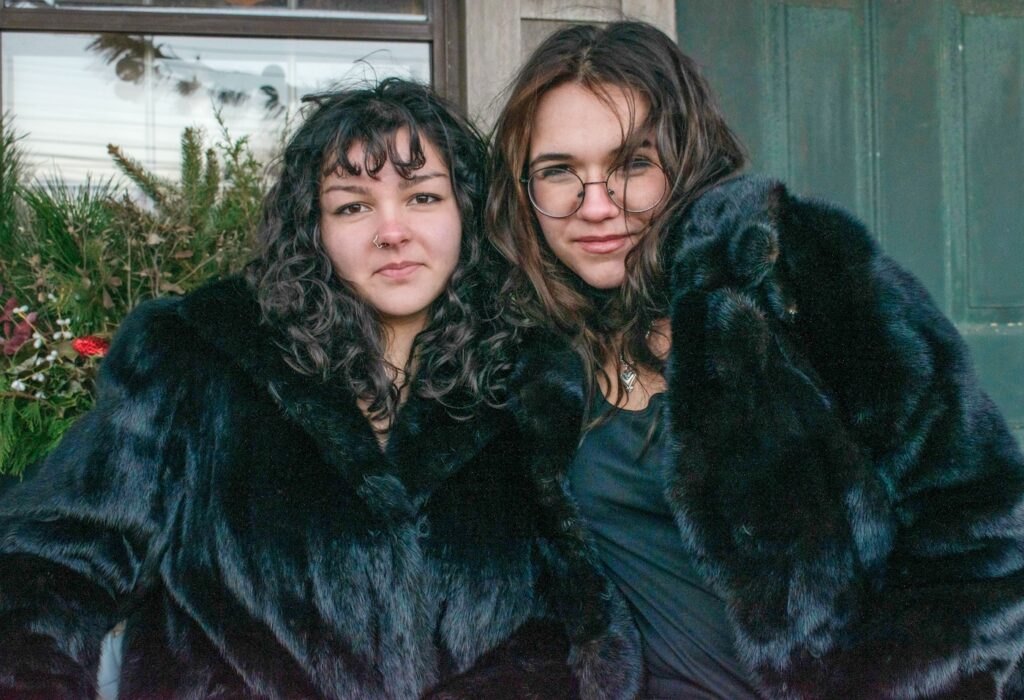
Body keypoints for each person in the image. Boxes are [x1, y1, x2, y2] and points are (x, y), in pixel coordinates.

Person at [0, 78, 641, 699]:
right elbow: (49, 564)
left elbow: (572, 624)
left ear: (468, 213)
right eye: (353, 205)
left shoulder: (529, 377)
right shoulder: (198, 355)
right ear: (314, 227)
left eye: (422, 197)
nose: (392, 230)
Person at [488, 20, 1024, 699]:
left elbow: (978, 532)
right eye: (559, 171)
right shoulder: (530, 361)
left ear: (685, 160)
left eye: (633, 165)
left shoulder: (795, 275)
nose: (596, 206)